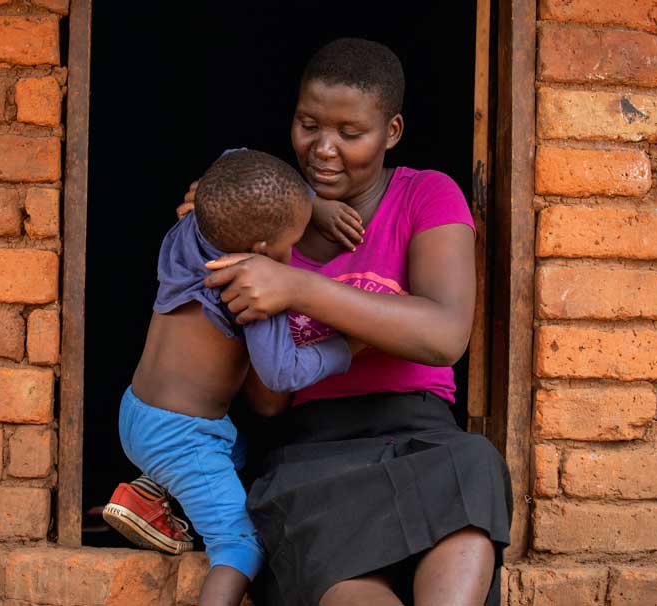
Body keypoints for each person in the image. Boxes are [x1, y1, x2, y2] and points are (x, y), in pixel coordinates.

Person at [201, 38, 513, 606]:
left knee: (476, 462)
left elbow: (445, 335)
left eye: (350, 133)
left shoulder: (426, 195)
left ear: (391, 131)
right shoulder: (266, 218)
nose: (323, 148)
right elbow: (268, 402)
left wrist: (296, 287)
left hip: (425, 444)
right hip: (309, 457)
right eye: (308, 124)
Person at [110, 149, 362, 606]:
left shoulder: (189, 231)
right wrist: (349, 346)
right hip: (182, 437)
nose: (296, 248)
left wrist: (315, 204)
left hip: (137, 410)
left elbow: (234, 157)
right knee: (241, 545)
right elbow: (282, 372)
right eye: (295, 238)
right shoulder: (252, 292)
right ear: (262, 251)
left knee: (244, 453)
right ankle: (168, 490)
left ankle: (150, 494)